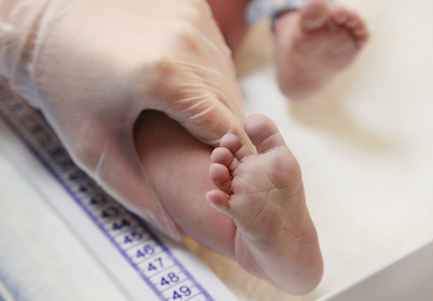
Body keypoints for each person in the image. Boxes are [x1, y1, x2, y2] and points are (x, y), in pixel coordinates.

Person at [0, 0, 368, 294]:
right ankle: (259, 243)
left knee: (174, 124)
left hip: (171, 36)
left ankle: (292, 29)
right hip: (88, 40)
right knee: (166, 131)